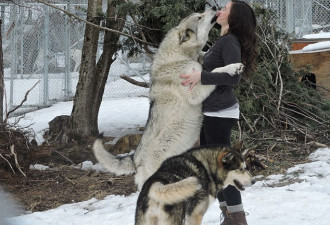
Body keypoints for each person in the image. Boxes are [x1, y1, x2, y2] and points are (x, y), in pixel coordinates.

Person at [180, 1, 257, 225]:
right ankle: (230, 216)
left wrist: (201, 77)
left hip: (220, 113)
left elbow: (235, 76)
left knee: (223, 168)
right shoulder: (224, 40)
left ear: (233, 18)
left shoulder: (230, 42)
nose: (219, 11)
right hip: (212, 112)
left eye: (225, 9)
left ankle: (238, 218)